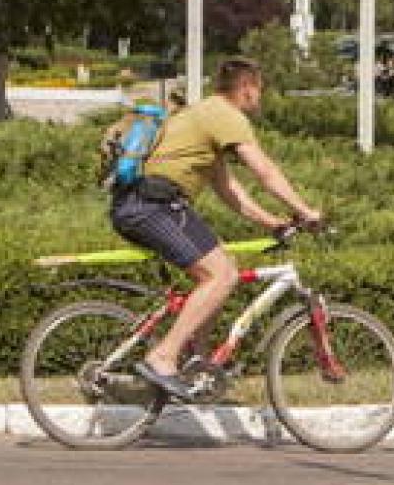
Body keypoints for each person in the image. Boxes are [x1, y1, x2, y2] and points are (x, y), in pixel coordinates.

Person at [109, 55, 323, 400]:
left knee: (219, 267)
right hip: (152, 205)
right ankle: (163, 357)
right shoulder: (226, 115)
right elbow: (264, 171)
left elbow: (230, 192)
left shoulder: (204, 115)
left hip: (144, 204)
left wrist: (274, 222)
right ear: (247, 88)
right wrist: (305, 210)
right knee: (222, 275)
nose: (260, 99)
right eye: (259, 91)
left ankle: (195, 361)